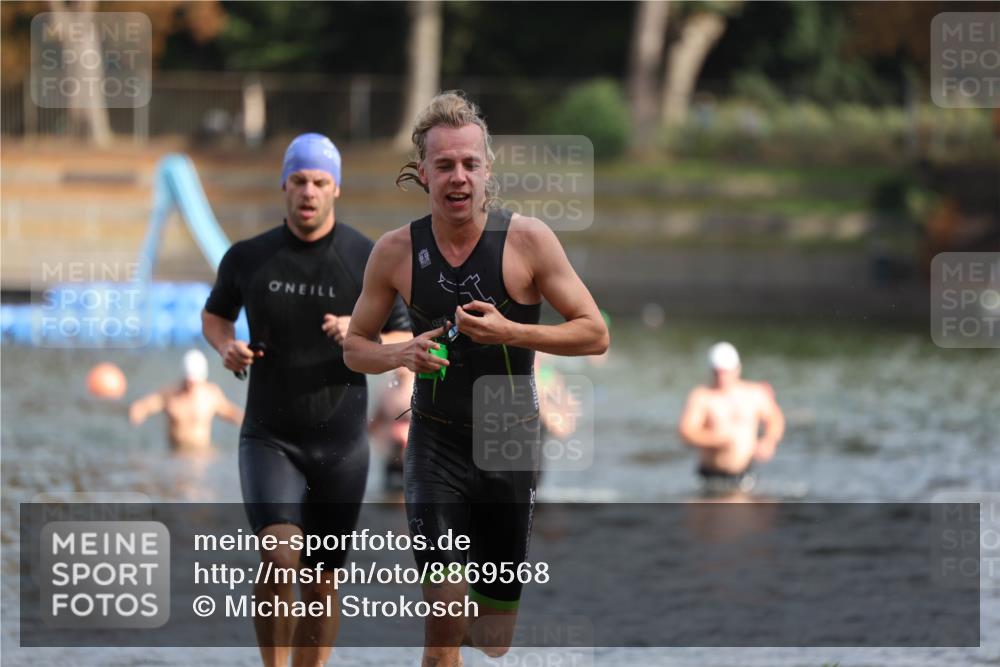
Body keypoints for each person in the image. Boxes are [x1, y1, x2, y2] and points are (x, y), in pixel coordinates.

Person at [343, 92, 609, 664]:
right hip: (434, 442)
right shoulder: (394, 252)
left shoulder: (528, 241)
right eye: (445, 166)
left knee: (491, 640)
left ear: (488, 171)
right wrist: (402, 354)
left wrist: (512, 333)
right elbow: (354, 349)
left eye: (470, 164)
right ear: (422, 175)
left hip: (508, 440)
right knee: (441, 617)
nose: (458, 177)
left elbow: (594, 332)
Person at [201, 133, 411, 667]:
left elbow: (404, 340)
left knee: (320, 583)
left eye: (319, 182)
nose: (308, 192)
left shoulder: (366, 257)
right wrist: (227, 344)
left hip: (342, 445)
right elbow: (215, 313)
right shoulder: (249, 257)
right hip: (270, 437)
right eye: (298, 181)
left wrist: (358, 333)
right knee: (278, 555)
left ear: (335, 188)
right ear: (284, 186)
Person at [678, 342, 785, 497]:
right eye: (717, 373)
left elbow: (775, 418)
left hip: (745, 477)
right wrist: (717, 440)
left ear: (737, 369)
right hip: (711, 479)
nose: (722, 377)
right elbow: (686, 432)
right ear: (711, 371)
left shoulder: (755, 393)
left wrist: (769, 440)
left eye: (726, 372)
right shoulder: (702, 396)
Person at [128, 348, 242, 454]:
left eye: (194, 383)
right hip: (176, 455)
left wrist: (251, 423)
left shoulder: (211, 396)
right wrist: (137, 412)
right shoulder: (170, 395)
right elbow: (145, 406)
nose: (190, 386)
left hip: (202, 455)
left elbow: (232, 414)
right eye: (188, 382)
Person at [368, 365, 415, 500]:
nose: (400, 372)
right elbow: (378, 416)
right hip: (391, 444)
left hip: (409, 442)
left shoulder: (415, 390)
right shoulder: (387, 391)